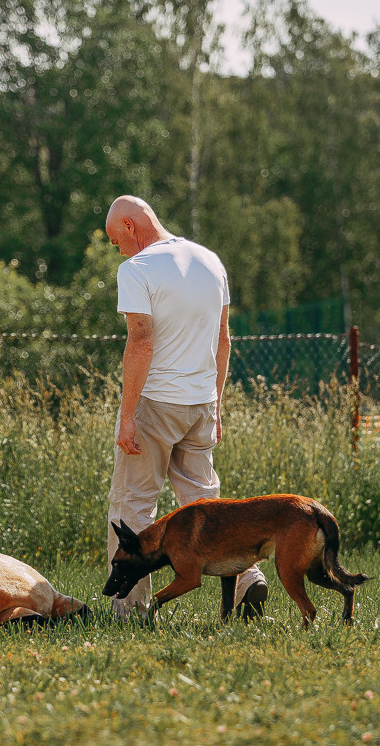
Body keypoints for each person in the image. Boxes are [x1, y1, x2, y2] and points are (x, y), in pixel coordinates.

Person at [104, 195, 267, 620]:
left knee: (133, 504)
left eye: (114, 239)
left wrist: (126, 416)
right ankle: (247, 582)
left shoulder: (136, 269)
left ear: (129, 225)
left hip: (156, 404)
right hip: (200, 402)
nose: (116, 249)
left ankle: (132, 609)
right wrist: (216, 402)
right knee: (207, 507)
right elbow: (223, 338)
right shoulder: (211, 261)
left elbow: (141, 340)